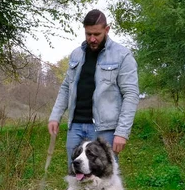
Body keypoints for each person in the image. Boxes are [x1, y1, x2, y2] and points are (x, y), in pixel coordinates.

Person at [48, 9, 139, 170]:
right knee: (76, 176)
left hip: (104, 131)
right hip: (75, 126)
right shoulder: (76, 54)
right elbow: (66, 87)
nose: (92, 39)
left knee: (104, 179)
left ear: (107, 30)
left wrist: (122, 132)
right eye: (88, 34)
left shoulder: (123, 56)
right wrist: (55, 116)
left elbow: (131, 95)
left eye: (96, 34)